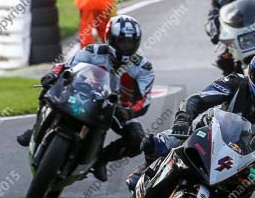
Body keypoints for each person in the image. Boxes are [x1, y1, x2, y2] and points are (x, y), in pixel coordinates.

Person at [137, 50, 255, 198]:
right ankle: (145, 171)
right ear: (251, 74)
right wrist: (184, 118)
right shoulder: (235, 82)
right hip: (206, 132)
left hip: (243, 159)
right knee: (154, 144)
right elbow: (197, 99)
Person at [17, 15, 154, 183]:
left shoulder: (143, 67)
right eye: (121, 41)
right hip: (85, 95)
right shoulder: (92, 51)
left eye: (130, 42)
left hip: (117, 109)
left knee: (137, 139)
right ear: (110, 39)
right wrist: (53, 74)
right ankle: (36, 128)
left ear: (137, 42)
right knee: (50, 87)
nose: (126, 46)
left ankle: (101, 160)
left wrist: (129, 112)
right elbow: (67, 66)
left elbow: (145, 99)